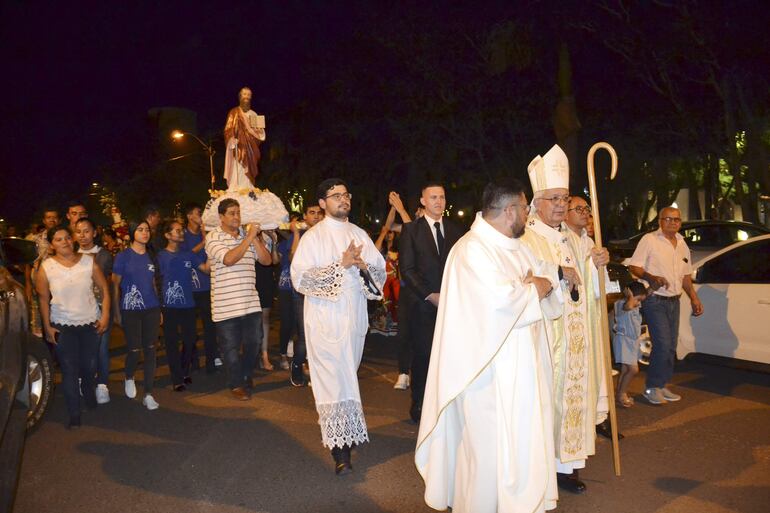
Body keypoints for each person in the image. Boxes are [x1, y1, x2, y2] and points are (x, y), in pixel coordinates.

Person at [415, 179, 560, 513]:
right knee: (487, 453)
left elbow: (544, 279)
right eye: (525, 209)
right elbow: (496, 304)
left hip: (523, 367)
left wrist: (537, 285)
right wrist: (531, 289)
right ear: (510, 211)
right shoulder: (471, 250)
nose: (528, 214)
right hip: (486, 373)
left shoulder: (517, 245)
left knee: (521, 442)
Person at [519, 144, 611, 494]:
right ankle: (545, 466)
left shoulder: (569, 239)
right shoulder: (526, 238)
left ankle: (566, 467)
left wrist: (593, 265)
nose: (560, 205)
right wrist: (558, 272)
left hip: (575, 341)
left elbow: (585, 288)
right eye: (553, 198)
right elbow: (527, 278)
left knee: (571, 401)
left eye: (565, 197)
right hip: (549, 338)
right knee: (548, 405)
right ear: (536, 202)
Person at [290, 178, 386, 475]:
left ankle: (344, 435)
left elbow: (379, 272)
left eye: (346, 195)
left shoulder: (359, 234)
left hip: (354, 320)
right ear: (322, 203)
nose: (343, 199)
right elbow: (300, 278)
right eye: (335, 196)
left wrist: (363, 266)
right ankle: (339, 451)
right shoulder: (313, 238)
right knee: (332, 381)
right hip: (324, 322)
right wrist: (340, 265)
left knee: (348, 376)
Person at [399, 183, 463, 422]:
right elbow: (407, 269)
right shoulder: (411, 230)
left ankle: (445, 404)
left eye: (442, 197)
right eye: (433, 197)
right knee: (424, 356)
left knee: (449, 355)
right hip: (422, 305)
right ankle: (419, 403)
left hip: (452, 305)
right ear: (423, 201)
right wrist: (430, 294)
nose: (439, 201)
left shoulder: (456, 230)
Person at [36, 225, 111, 429]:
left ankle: (88, 391)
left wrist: (104, 316)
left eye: (67, 237)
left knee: (89, 367)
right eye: (59, 239)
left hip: (89, 323)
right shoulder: (46, 267)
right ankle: (74, 414)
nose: (65, 242)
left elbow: (104, 288)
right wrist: (47, 327)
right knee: (69, 369)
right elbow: (43, 299)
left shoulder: (88, 262)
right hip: (62, 325)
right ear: (52, 245)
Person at [628, 206, 704, 404]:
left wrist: (694, 297)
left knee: (670, 346)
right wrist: (651, 277)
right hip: (655, 300)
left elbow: (685, 274)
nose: (672, 223)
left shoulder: (681, 243)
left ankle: (661, 385)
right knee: (662, 344)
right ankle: (652, 388)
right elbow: (634, 266)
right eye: (668, 219)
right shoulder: (650, 240)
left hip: (674, 300)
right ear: (660, 221)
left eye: (676, 219)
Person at [205, 198, 272, 400]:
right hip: (226, 306)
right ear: (221, 217)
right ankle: (236, 383)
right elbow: (229, 259)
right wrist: (248, 237)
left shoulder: (247, 236)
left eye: (238, 212)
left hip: (250, 302)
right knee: (230, 349)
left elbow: (267, 261)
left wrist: (255, 239)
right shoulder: (213, 237)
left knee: (254, 342)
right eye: (232, 213)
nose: (236, 217)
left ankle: (243, 374)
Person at [113, 221, 162, 410]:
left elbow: (155, 284)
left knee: (150, 350)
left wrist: (159, 310)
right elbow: (115, 284)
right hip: (130, 309)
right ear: (133, 233)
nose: (145, 233)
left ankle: (148, 394)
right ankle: (129, 376)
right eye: (140, 230)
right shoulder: (123, 257)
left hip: (151, 308)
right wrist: (117, 312)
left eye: (147, 230)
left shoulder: (152, 257)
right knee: (134, 350)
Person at [158, 220, 208, 391]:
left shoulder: (188, 255)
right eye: (177, 231)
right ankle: (177, 378)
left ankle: (184, 370)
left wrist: (213, 250)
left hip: (188, 305)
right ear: (167, 235)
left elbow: (206, 269)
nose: (181, 233)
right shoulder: (160, 256)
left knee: (190, 340)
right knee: (171, 343)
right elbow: (155, 281)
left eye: (181, 231)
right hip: (169, 306)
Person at [276, 204, 322, 384]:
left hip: (322, 290)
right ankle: (297, 365)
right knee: (305, 334)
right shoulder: (301, 235)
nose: (316, 217)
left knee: (319, 333)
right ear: (305, 216)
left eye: (319, 213)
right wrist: (295, 233)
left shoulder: (326, 234)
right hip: (302, 291)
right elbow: (293, 259)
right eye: (312, 213)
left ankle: (316, 372)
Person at [373, 191, 412, 388]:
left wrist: (400, 209)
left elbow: (409, 225)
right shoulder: (387, 242)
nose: (390, 233)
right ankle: (404, 372)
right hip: (391, 284)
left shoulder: (413, 232)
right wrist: (393, 208)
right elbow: (388, 226)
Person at [75, 218, 114, 404]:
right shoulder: (70, 255)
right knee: (82, 349)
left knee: (101, 349)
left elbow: (98, 275)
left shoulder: (103, 255)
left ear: (94, 233)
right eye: (79, 232)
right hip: (77, 310)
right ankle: (85, 381)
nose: (83, 235)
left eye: (86, 231)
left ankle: (102, 385)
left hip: (100, 307)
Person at [180, 203, 221, 373]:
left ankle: (212, 359)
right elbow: (186, 255)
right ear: (189, 216)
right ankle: (192, 359)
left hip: (207, 287)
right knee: (189, 329)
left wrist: (206, 237)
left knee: (210, 327)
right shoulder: (182, 235)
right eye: (198, 213)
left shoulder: (208, 234)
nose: (202, 215)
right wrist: (204, 240)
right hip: (189, 289)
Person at [613, 281, 649, 408]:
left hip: (632, 342)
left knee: (625, 369)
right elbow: (627, 307)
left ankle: (619, 393)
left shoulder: (636, 307)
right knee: (633, 369)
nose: (639, 303)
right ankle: (622, 394)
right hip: (623, 340)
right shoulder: (621, 304)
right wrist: (631, 297)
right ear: (630, 295)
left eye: (640, 301)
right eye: (638, 299)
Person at [223, 86, 266, 189]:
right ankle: (236, 187)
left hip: (251, 148)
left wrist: (259, 131)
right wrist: (231, 139)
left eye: (248, 95)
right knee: (238, 168)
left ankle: (248, 186)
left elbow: (259, 134)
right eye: (244, 94)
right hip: (238, 146)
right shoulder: (234, 112)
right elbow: (228, 129)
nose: (246, 96)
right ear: (240, 97)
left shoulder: (254, 114)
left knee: (249, 169)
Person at [256, 229, 280, 370]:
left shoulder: (270, 235)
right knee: (251, 319)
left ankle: (264, 355)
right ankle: (252, 353)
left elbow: (275, 261)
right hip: (250, 276)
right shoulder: (245, 233)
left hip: (266, 277)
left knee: (264, 317)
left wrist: (274, 241)